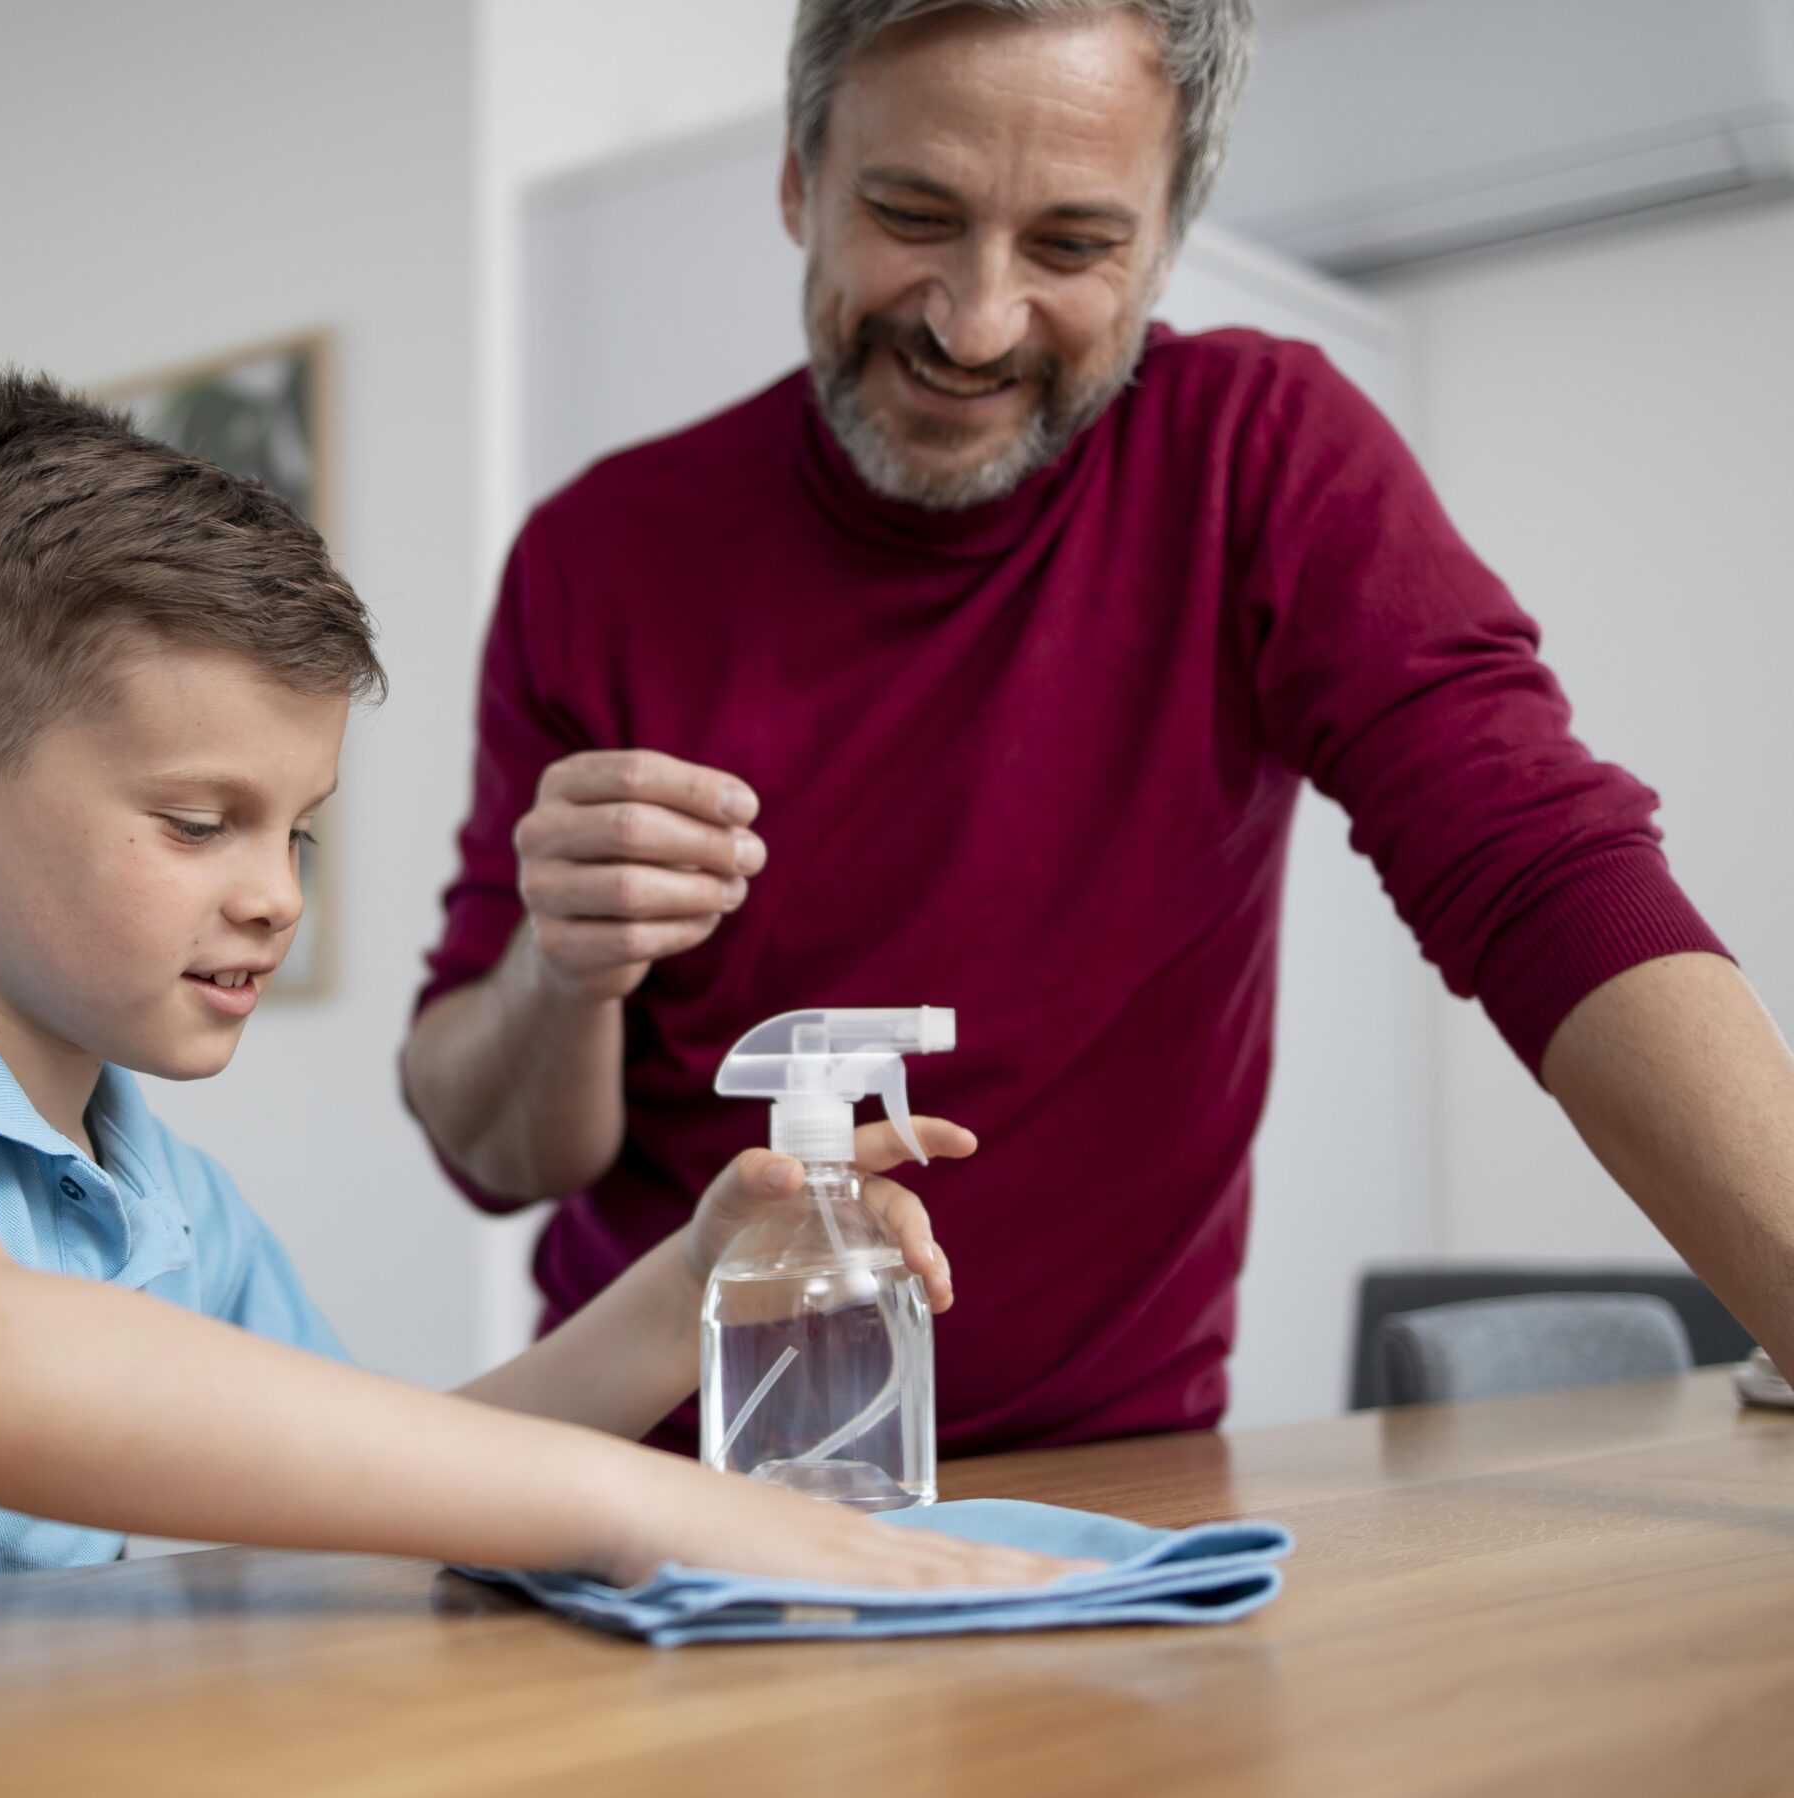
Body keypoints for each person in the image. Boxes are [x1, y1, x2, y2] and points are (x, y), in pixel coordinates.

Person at [0, 371, 1078, 1641]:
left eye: (298, 829)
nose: (278, 891)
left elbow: (379, 1478)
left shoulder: (163, 1199)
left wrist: (689, 1286)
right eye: (197, 822)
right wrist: (631, 1505)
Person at [404, 0, 1794, 1456]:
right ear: (799, 180)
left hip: (1120, 1498)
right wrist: (563, 971)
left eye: (1070, 246)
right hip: (648, 1487)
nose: (975, 321)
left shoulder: (1258, 457)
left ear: (1166, 242)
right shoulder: (603, 555)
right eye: (911, 212)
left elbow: (1540, 873)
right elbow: (500, 1154)